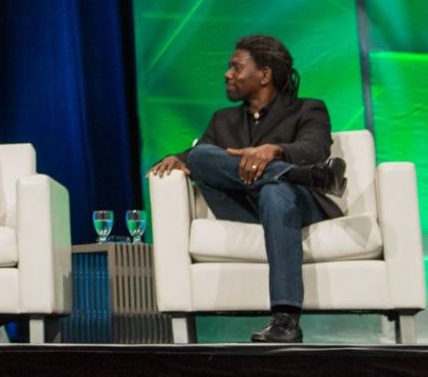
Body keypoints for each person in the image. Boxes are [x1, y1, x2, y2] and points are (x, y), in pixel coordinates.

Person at [148, 34, 348, 344]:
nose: (228, 74)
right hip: (246, 207)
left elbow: (315, 148)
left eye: (236, 67)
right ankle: (299, 176)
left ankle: (285, 320)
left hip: (298, 207)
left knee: (275, 192)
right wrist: (175, 159)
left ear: (264, 75)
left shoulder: (308, 109)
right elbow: (199, 159)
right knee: (201, 154)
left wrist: (274, 150)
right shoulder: (223, 120)